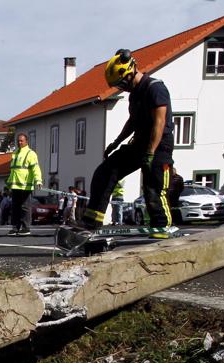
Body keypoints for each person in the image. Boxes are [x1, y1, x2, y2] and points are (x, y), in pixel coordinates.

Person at [75, 48, 178, 239]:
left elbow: (159, 122)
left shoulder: (155, 88)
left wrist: (150, 152)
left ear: (130, 72)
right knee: (105, 171)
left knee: (153, 187)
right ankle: (91, 220)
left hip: (159, 143)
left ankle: (161, 227)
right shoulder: (135, 95)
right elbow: (132, 122)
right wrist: (116, 142)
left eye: (121, 84)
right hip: (139, 142)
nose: (121, 88)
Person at [5, 132, 42, 236]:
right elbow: (14, 171)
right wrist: (9, 183)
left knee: (25, 207)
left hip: (26, 185)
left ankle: (26, 228)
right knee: (15, 207)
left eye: (21, 140)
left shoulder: (31, 154)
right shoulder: (15, 153)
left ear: (26, 141)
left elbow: (36, 168)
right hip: (15, 185)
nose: (19, 142)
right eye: (18, 141)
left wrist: (38, 180)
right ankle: (15, 227)